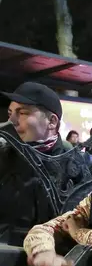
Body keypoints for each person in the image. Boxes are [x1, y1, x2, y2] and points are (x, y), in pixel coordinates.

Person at [0, 82, 77, 245]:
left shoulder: (73, 165)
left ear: (52, 122)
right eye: (10, 113)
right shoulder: (4, 157)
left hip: (50, 262)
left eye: (22, 113)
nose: (11, 121)